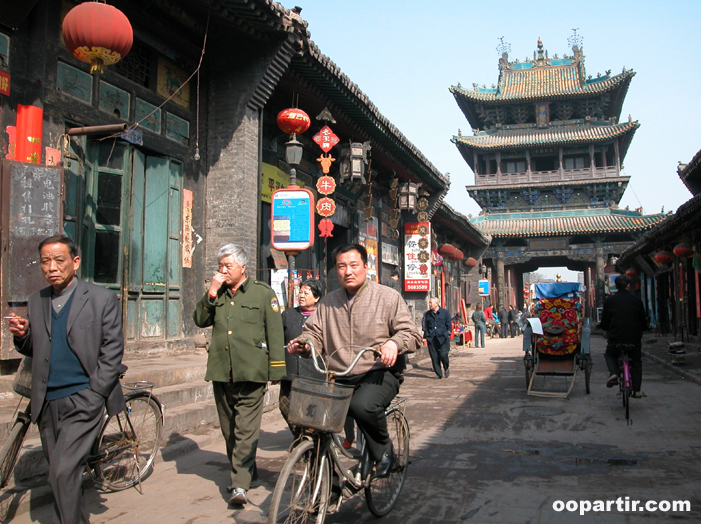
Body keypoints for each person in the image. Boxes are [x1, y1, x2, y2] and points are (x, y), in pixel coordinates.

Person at [7, 235, 126, 524]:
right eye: (45, 261)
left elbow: (112, 352)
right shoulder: (37, 301)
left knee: (61, 471)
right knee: (63, 476)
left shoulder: (101, 298)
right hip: (47, 402)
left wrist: (95, 394)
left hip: (83, 398)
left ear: (75, 262)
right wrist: (23, 336)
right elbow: (40, 348)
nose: (52, 267)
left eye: (59, 260)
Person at [289, 244, 421, 478]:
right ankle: (328, 487)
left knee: (362, 406)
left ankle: (384, 450)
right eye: (341, 266)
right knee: (316, 423)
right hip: (339, 375)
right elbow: (314, 333)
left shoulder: (387, 297)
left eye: (353, 265)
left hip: (379, 372)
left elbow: (411, 334)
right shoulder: (328, 302)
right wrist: (304, 344)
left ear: (365, 267)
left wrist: (394, 344)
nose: (348, 271)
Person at [193, 243, 286, 506]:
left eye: (228, 266)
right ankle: (248, 472)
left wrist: (276, 369)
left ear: (243, 267)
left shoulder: (261, 294)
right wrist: (211, 291)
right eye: (220, 266)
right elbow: (200, 320)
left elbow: (275, 332)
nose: (223, 271)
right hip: (223, 371)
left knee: (245, 429)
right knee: (230, 430)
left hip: (251, 372)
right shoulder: (218, 293)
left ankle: (239, 485)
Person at [278, 278, 324, 430]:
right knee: (285, 406)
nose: (302, 296)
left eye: (307, 292)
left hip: (314, 374)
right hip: (290, 373)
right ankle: (300, 436)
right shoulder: (288, 315)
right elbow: (279, 341)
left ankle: (309, 441)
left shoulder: (323, 317)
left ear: (316, 297)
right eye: (301, 292)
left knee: (310, 410)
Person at [599, 274, 647, 397]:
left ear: (616, 286)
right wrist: (645, 328)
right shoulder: (636, 300)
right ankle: (636, 390)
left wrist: (604, 327)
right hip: (634, 338)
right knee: (636, 361)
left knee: (610, 354)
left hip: (616, 338)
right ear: (628, 285)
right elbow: (643, 319)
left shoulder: (610, 301)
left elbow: (605, 322)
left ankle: (614, 373)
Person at [422, 298, 452, 379]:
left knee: (443, 355)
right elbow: (426, 326)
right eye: (429, 303)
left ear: (436, 304)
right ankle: (438, 374)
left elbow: (449, 324)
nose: (430, 304)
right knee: (434, 357)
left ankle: (446, 367)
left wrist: (447, 334)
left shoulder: (445, 312)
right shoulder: (427, 314)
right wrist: (426, 336)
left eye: (431, 303)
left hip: (442, 338)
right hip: (432, 338)